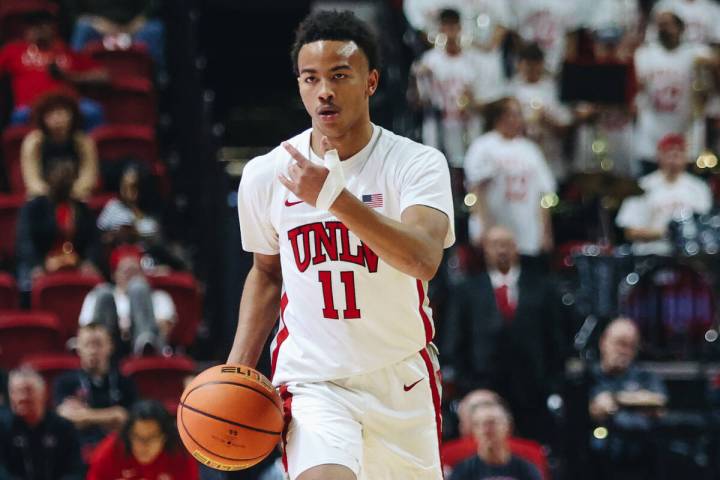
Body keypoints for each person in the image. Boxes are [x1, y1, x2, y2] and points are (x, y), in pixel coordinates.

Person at [231, 10, 454, 480]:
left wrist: (333, 198)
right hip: (314, 380)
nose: (324, 91)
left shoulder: (416, 164)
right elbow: (267, 273)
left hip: (400, 378)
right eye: (310, 79)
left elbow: (423, 258)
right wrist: (237, 372)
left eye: (339, 76)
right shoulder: (266, 174)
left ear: (371, 82)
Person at [442, 226, 564, 442]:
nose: (501, 250)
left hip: (532, 390)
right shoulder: (467, 290)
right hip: (482, 387)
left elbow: (556, 339)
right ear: (484, 250)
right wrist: (467, 386)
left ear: (516, 248)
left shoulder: (543, 287)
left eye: (506, 244)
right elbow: (455, 341)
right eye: (495, 245)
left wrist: (550, 383)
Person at [464, 97, 556, 254]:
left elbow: (544, 194)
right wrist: (481, 225)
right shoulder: (483, 146)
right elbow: (475, 189)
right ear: (498, 117)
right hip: (495, 229)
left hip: (527, 230)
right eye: (511, 114)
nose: (516, 119)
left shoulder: (530, 150)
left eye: (518, 114)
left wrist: (546, 231)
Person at [633, 10, 716, 170]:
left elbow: (714, 62)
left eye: (668, 24)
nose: (664, 29)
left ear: (681, 28)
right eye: (660, 25)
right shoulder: (645, 54)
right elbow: (635, 87)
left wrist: (711, 67)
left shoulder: (695, 53)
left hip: (686, 132)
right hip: (652, 134)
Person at [0, 9, 108, 129]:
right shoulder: (14, 50)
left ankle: (83, 147)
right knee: (18, 116)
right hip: (30, 106)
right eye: (34, 26)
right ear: (26, 30)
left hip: (67, 105)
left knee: (94, 111)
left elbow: (103, 76)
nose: (39, 30)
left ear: (53, 28)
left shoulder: (65, 50)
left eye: (43, 25)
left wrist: (69, 76)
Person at [588, 317, 668, 480]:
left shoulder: (644, 377)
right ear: (603, 342)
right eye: (619, 343)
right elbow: (594, 409)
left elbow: (658, 403)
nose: (624, 350)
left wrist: (616, 400)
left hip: (640, 455)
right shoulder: (589, 377)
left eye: (631, 345)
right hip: (600, 458)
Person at [409, 8, 483, 168]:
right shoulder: (429, 61)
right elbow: (418, 102)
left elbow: (480, 100)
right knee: (439, 168)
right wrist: (417, 78)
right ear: (440, 29)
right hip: (438, 127)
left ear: (460, 28)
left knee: (464, 169)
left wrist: (470, 102)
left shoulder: (472, 60)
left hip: (465, 126)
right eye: (446, 27)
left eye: (453, 27)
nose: (450, 33)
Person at [616, 133, 712, 255]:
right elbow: (630, 232)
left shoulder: (699, 187)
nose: (673, 157)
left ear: (686, 156)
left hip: (688, 256)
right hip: (651, 254)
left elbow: (706, 227)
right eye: (668, 152)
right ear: (659, 155)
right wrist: (667, 233)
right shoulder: (642, 186)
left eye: (678, 152)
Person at [15, 156, 101, 293]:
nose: (63, 180)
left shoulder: (83, 209)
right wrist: (39, 265)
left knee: (99, 282)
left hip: (76, 262)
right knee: (27, 281)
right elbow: (25, 243)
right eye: (58, 175)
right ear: (48, 178)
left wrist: (89, 262)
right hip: (42, 260)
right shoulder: (33, 208)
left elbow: (93, 241)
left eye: (68, 175)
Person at [54, 323, 138, 454]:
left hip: (117, 449)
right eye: (87, 344)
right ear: (78, 348)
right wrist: (112, 415)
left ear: (110, 346)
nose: (93, 350)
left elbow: (126, 419)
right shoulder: (64, 382)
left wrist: (84, 416)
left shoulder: (124, 382)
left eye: (98, 344)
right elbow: (64, 417)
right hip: (78, 450)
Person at [79, 250, 177, 354]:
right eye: (125, 272)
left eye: (134, 272)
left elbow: (164, 329)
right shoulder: (97, 295)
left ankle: (144, 343)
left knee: (137, 288)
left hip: (147, 348)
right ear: (114, 274)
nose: (130, 277)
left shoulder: (159, 297)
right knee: (104, 293)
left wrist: (135, 326)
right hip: (110, 345)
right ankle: (101, 351)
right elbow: (86, 327)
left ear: (143, 274)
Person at [0, 367, 84, 480]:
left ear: (44, 393)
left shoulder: (63, 427)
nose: (22, 397)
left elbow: (75, 471)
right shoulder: (3, 427)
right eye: (15, 392)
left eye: (28, 391)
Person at [86, 399, 199, 480]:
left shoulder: (180, 454)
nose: (144, 446)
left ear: (165, 437)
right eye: (137, 437)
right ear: (128, 435)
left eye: (151, 438)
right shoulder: (109, 451)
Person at [508, 42, 572, 178]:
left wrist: (546, 119)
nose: (531, 69)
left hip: (550, 158)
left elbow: (565, 128)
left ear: (541, 64)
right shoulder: (511, 90)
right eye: (527, 65)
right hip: (520, 161)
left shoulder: (553, 90)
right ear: (519, 65)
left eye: (535, 64)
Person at [20, 91, 98, 200]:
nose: (57, 119)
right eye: (50, 114)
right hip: (43, 196)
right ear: (42, 118)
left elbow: (88, 177)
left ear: (72, 115)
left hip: (76, 195)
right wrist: (51, 194)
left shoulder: (83, 142)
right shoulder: (33, 142)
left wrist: (72, 193)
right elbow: (32, 180)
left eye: (61, 113)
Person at [449, 395, 542, 480]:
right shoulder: (463, 471)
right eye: (479, 424)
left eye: (492, 423)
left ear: (508, 427)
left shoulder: (525, 469)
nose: (486, 430)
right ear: (473, 431)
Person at [69, 0, 165, 69]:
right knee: (83, 26)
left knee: (154, 29)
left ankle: (154, 82)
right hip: (99, 26)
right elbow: (74, 11)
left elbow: (152, 5)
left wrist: (138, 21)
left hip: (133, 27)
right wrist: (97, 22)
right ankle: (75, 78)